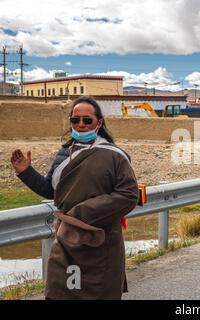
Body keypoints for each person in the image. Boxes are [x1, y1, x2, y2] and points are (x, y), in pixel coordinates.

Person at [10, 96, 139, 299]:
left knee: (97, 293)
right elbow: (52, 192)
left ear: (99, 122)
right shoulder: (64, 153)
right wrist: (26, 172)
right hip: (67, 239)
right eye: (75, 120)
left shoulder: (114, 155)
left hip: (100, 239)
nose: (80, 125)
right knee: (59, 292)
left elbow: (128, 195)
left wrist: (81, 213)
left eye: (87, 120)